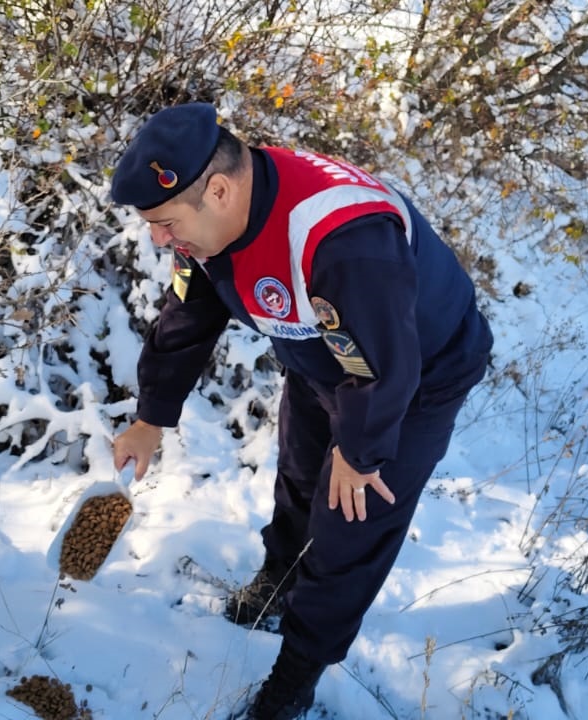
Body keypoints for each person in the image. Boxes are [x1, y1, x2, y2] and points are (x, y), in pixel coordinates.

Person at [108, 103, 493, 720]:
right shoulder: (206, 223)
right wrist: (152, 415)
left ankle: (294, 679)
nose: (157, 237)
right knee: (299, 477)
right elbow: (190, 313)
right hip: (327, 358)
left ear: (219, 189)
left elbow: (386, 367)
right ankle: (279, 581)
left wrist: (361, 450)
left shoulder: (345, 242)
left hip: (415, 377)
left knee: (350, 523)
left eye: (163, 222)